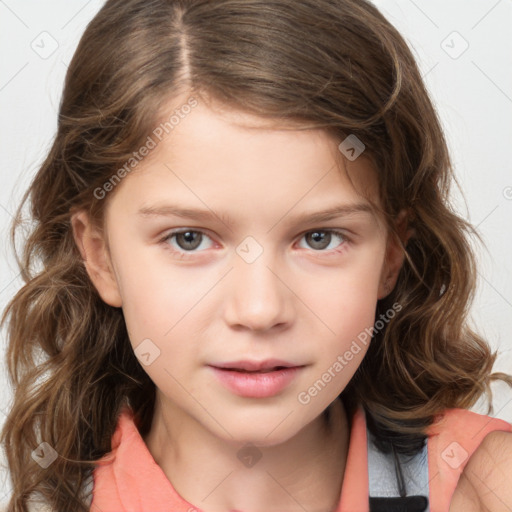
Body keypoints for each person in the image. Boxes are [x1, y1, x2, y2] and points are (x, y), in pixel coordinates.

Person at [1, 0, 511, 511]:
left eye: (319, 238)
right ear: (101, 257)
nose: (260, 309)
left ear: (392, 253)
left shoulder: (491, 489)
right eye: (189, 239)